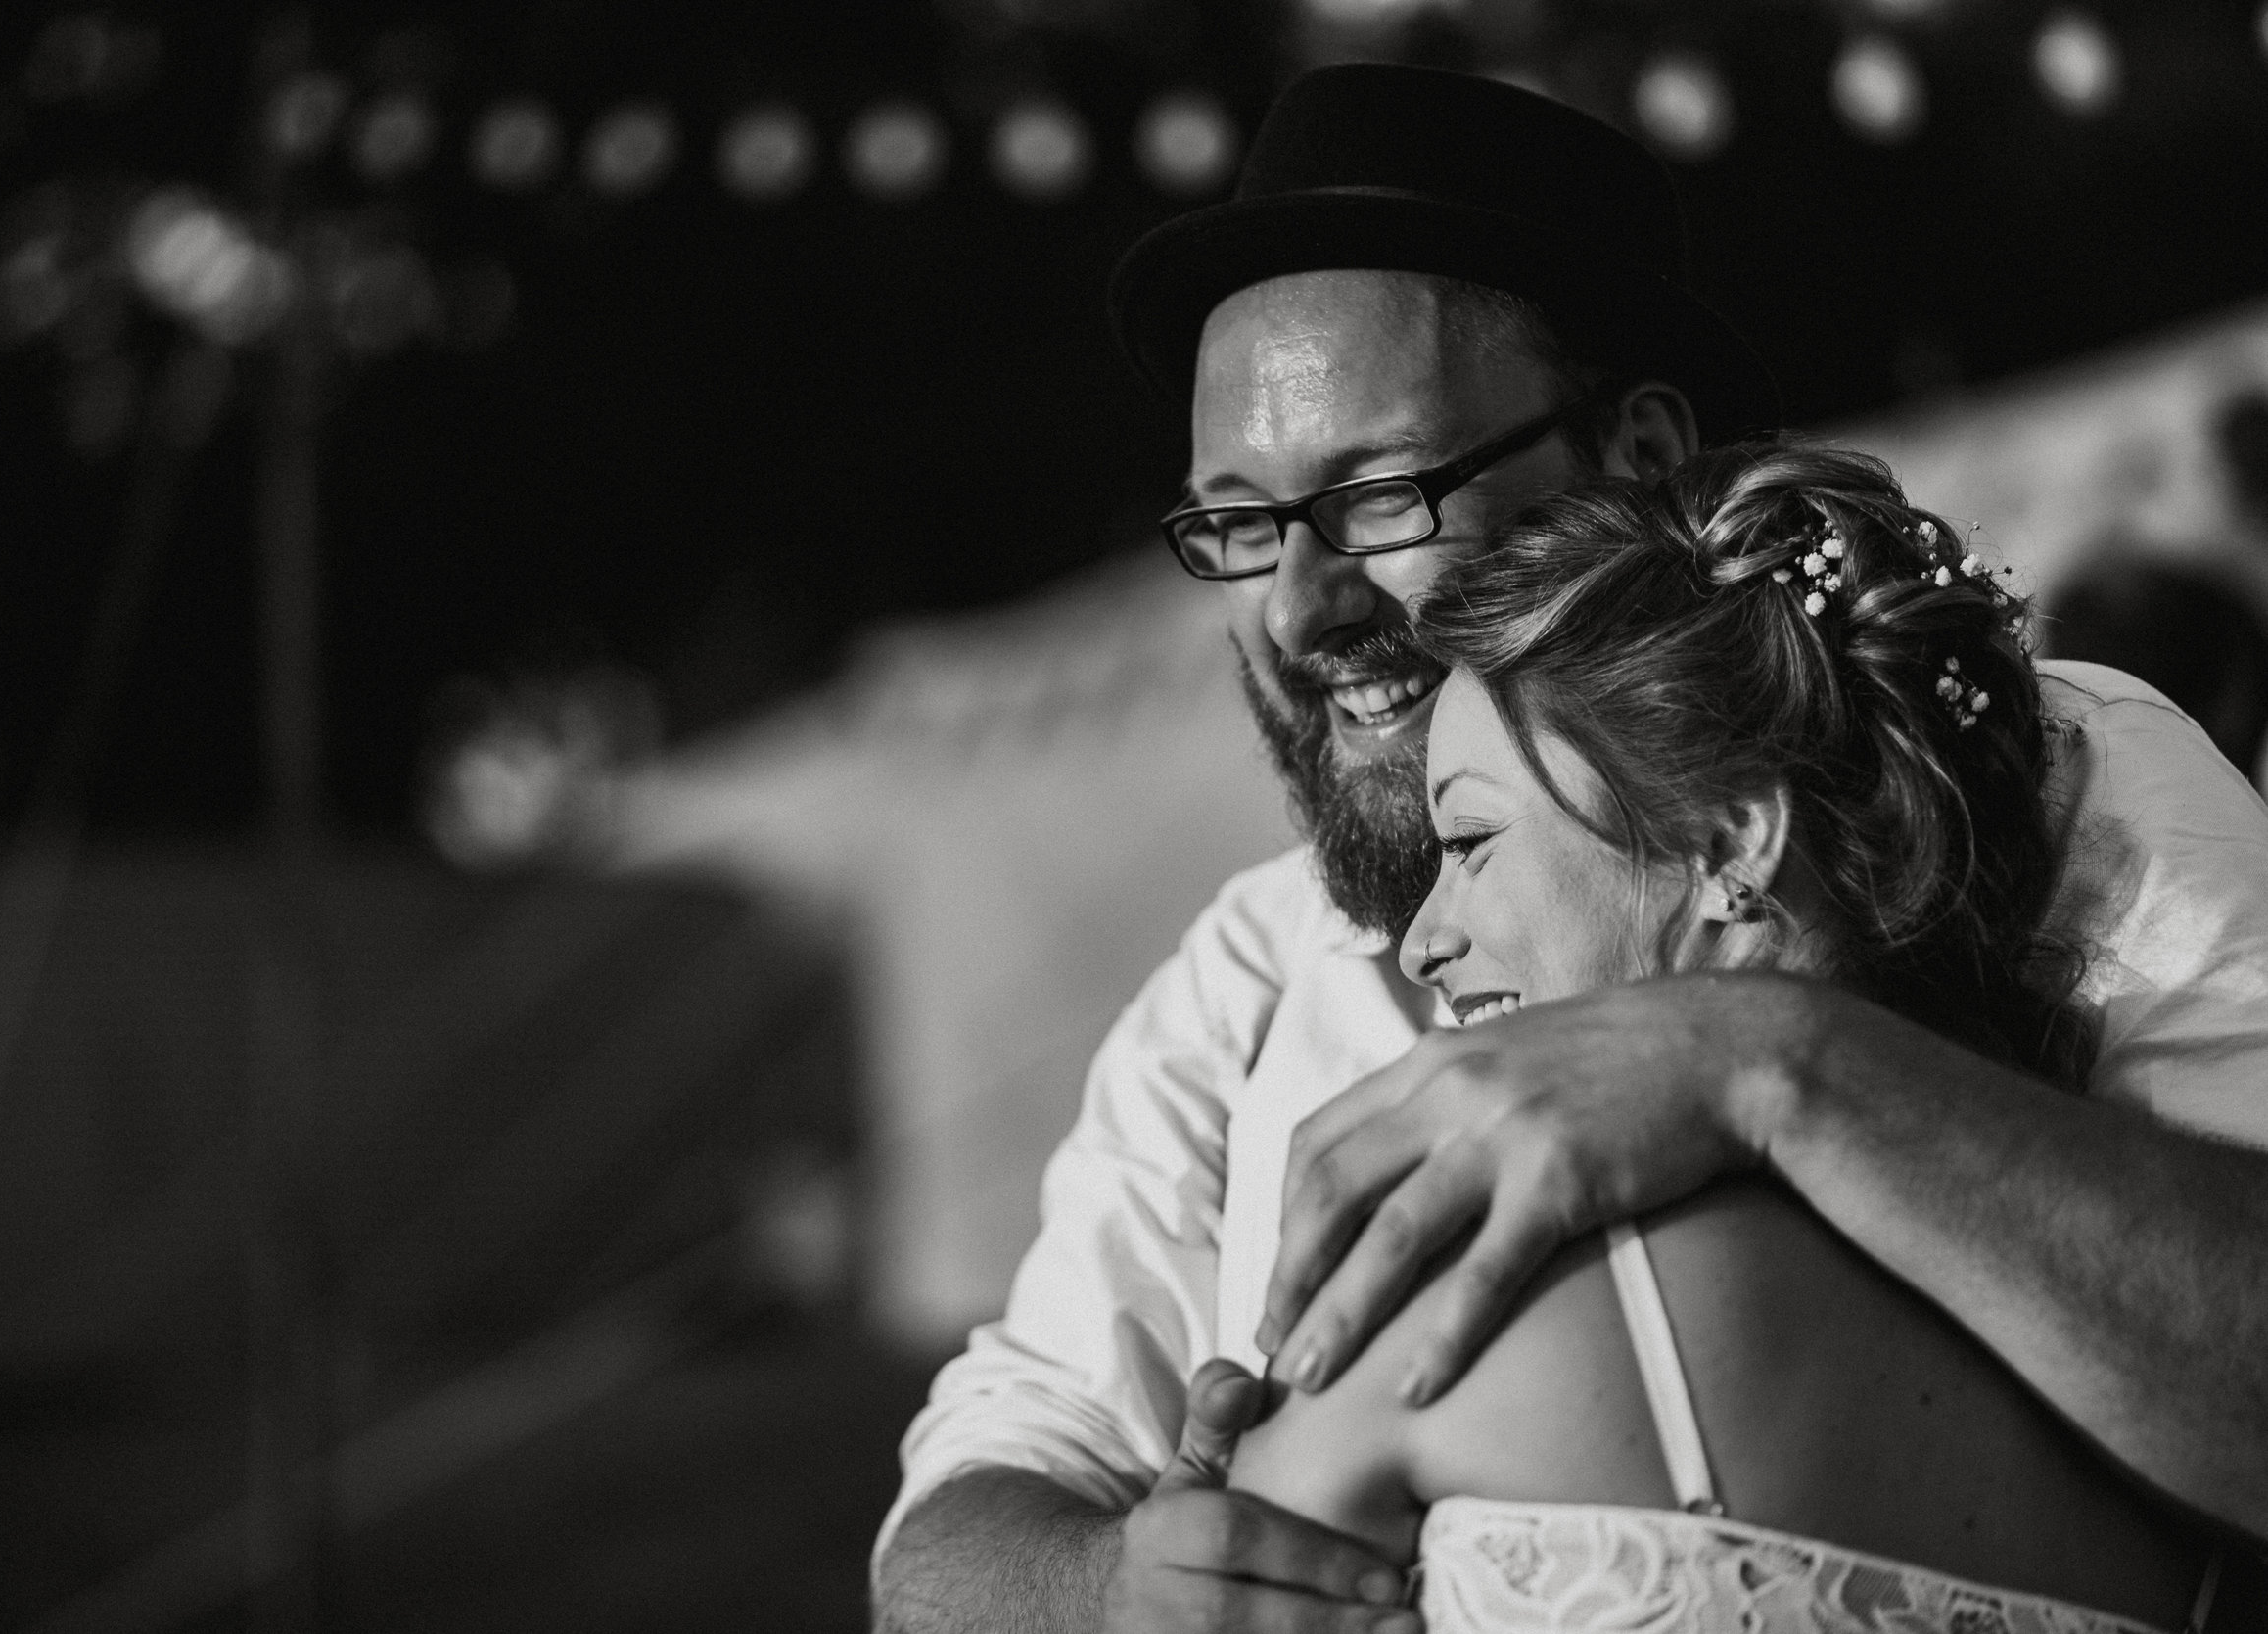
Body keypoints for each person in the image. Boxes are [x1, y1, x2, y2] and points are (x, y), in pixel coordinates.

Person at [873, 64, 2268, 1634]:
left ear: (1642, 448)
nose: (1299, 605)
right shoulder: (1252, 971)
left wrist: (1770, 1066)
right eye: (1242, 524)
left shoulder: (2040, 777)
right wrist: (1104, 1586)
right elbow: (954, 1526)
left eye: (1379, 496)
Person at [1227, 443, 2214, 1632]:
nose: (1422, 944)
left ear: (1732, 843)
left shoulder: (1461, 1333)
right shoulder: (2152, 1341)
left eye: (1472, 843)